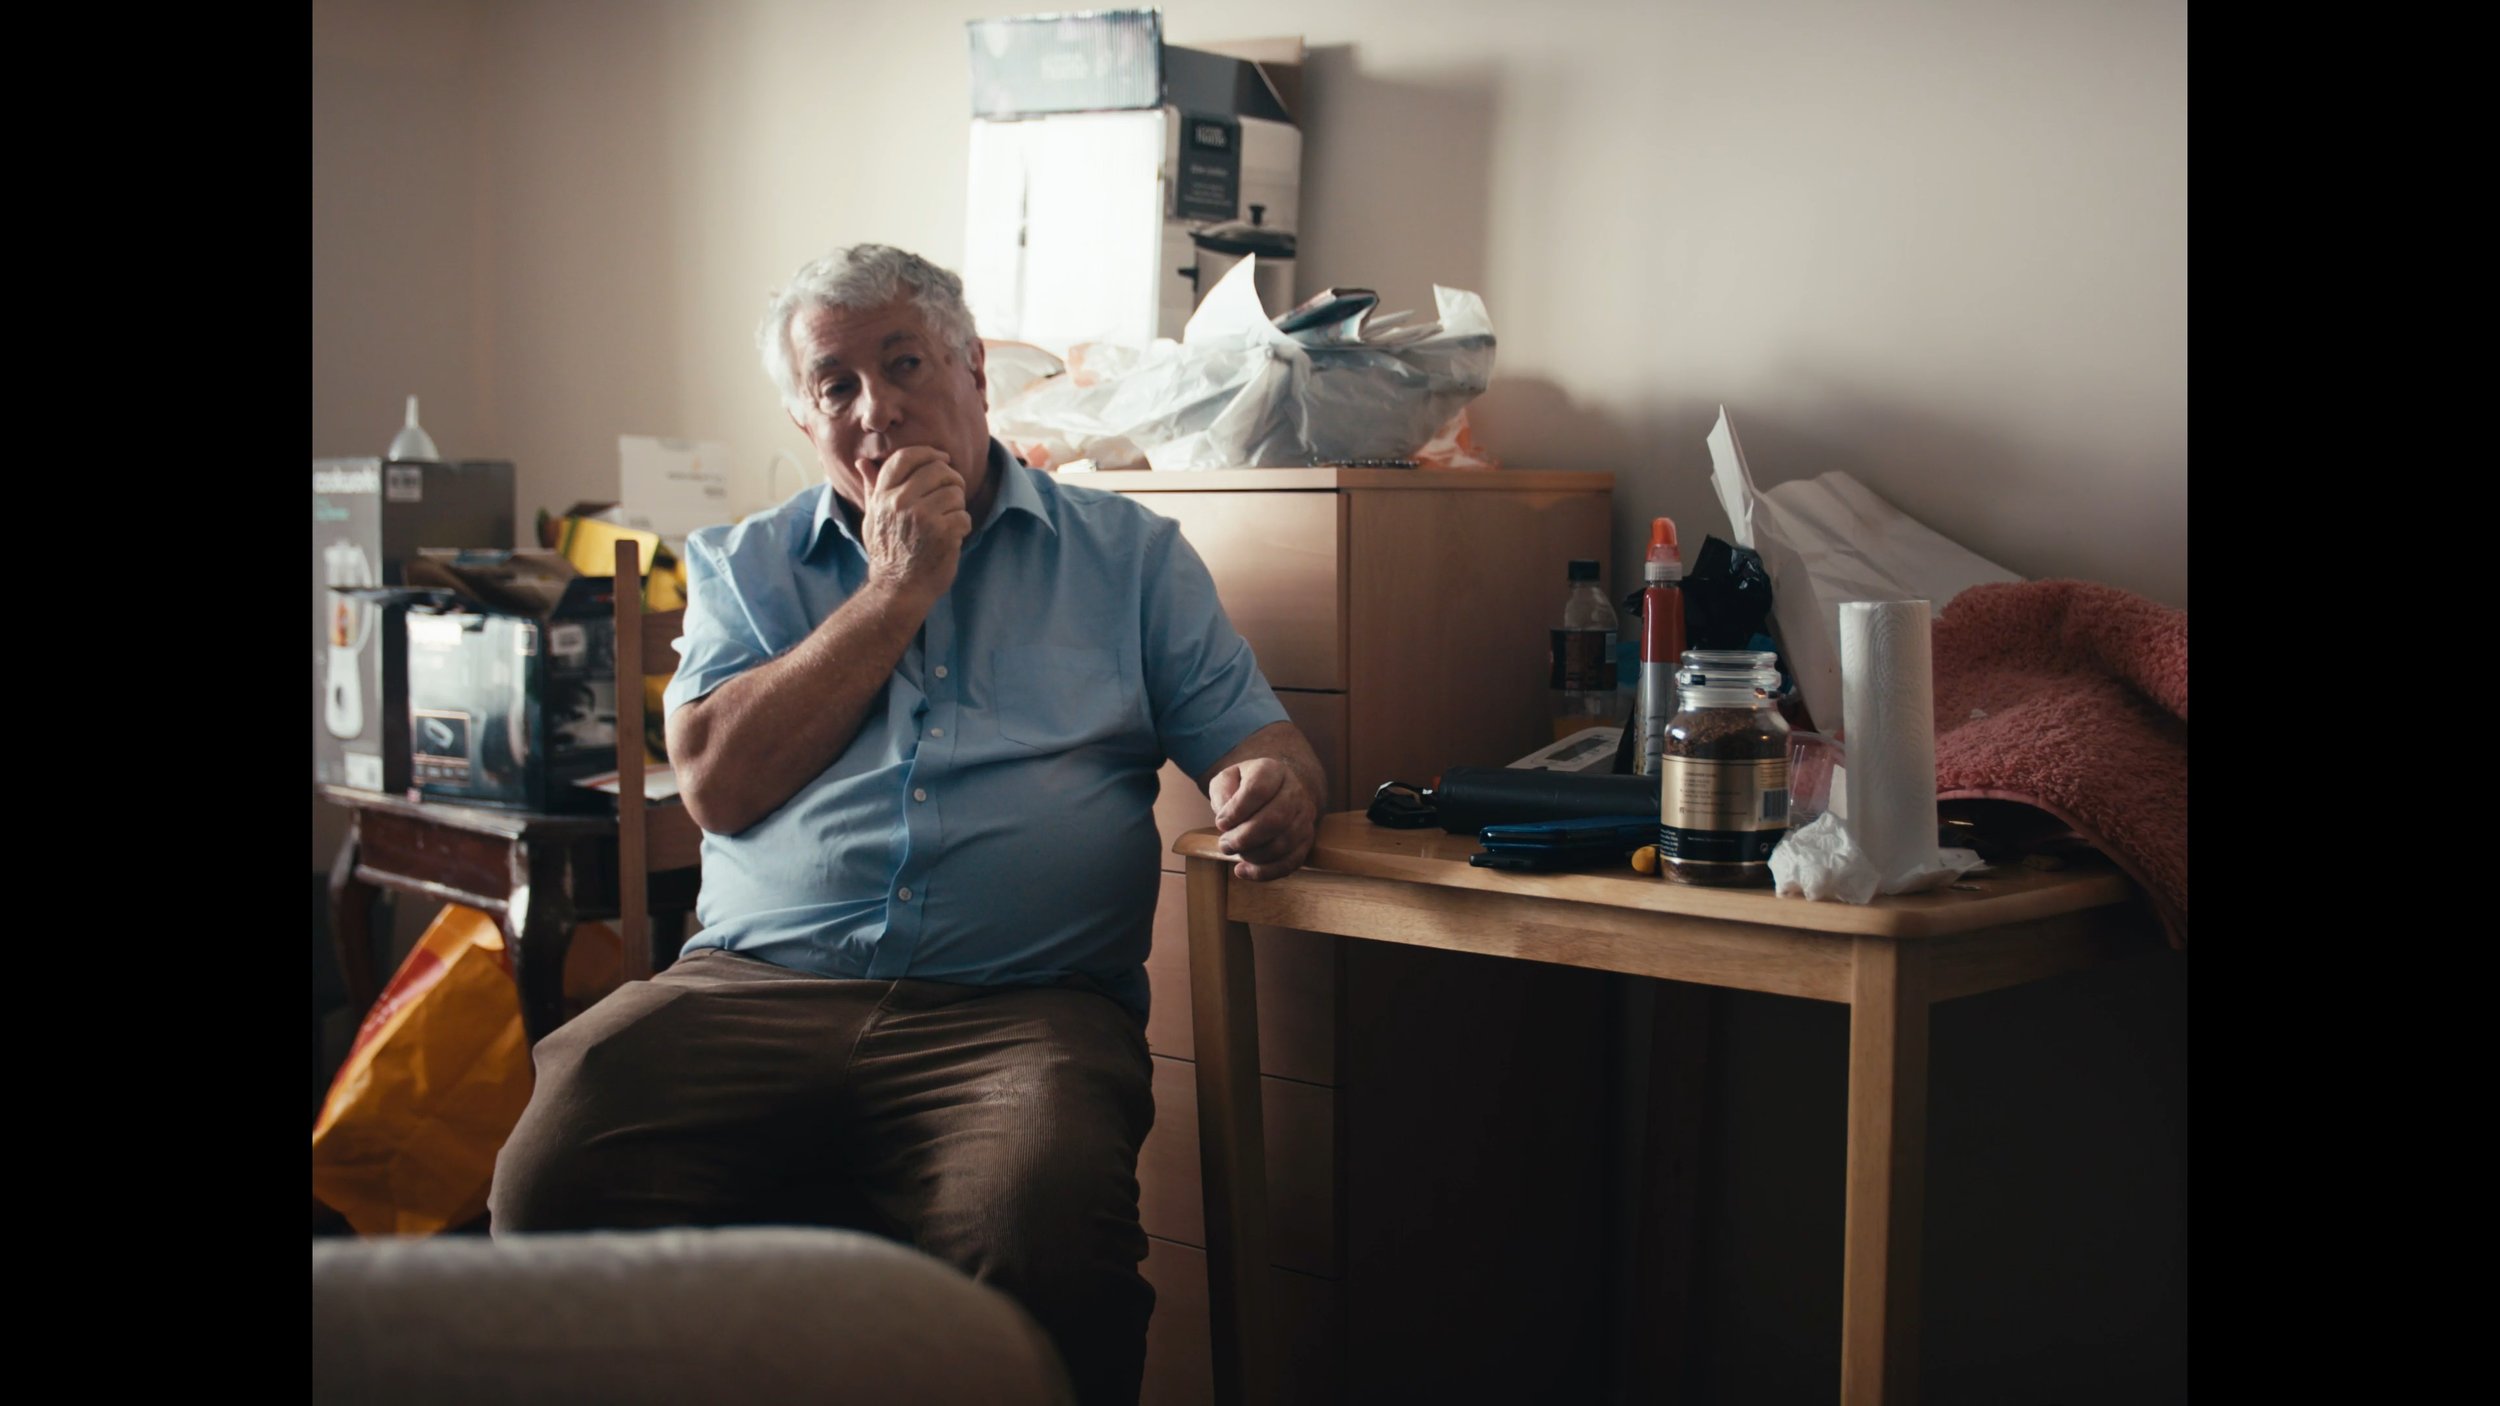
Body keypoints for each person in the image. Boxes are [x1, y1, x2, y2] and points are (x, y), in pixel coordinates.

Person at [490, 244, 1325, 1406]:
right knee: (556, 1166)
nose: (874, 407)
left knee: (1038, 1223)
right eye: (835, 385)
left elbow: (1257, 739)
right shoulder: (746, 564)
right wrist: (897, 590)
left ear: (975, 373)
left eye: (903, 364)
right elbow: (718, 785)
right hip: (750, 988)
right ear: (804, 418)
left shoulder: (1130, 558)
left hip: (1020, 1010)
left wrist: (1275, 784)